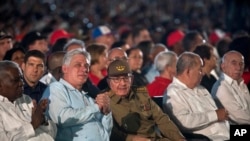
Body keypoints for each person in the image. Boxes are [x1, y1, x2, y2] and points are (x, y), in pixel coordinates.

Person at [41, 49, 112, 141]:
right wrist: (96, 107)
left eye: (86, 66)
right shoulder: (56, 88)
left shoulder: (88, 98)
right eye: (78, 65)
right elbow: (62, 118)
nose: (84, 69)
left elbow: (106, 131)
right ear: (65, 68)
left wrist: (106, 113)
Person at [107, 59, 186, 141]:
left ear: (132, 79)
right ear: (109, 82)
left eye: (126, 78)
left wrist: (179, 138)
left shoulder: (141, 94)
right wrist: (132, 138)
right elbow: (111, 132)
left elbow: (161, 118)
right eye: (117, 79)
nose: (123, 83)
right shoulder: (106, 102)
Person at [163, 52, 230, 141]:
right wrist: (215, 115)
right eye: (200, 69)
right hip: (210, 138)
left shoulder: (201, 89)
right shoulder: (173, 93)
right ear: (187, 71)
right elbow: (184, 122)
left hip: (227, 134)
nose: (202, 73)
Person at [0, 60, 56, 141]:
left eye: (21, 79)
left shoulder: (26, 99)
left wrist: (42, 119)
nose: (21, 83)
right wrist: (32, 125)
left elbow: (52, 134)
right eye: (16, 80)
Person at [211, 51, 250, 125]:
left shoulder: (241, 84)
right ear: (223, 66)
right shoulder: (221, 87)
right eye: (234, 63)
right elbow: (239, 117)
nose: (239, 68)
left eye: (241, 64)